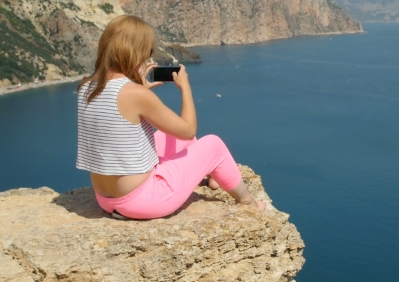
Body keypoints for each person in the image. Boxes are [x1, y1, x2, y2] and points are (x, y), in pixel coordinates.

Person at [76, 14, 265, 219]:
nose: (148, 58)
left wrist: (138, 87)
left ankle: (213, 174)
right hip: (143, 201)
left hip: (105, 199)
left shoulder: (87, 86)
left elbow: (119, 127)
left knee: (179, 140)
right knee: (213, 144)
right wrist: (185, 88)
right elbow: (188, 129)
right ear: (136, 51)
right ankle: (248, 202)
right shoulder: (135, 94)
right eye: (148, 52)